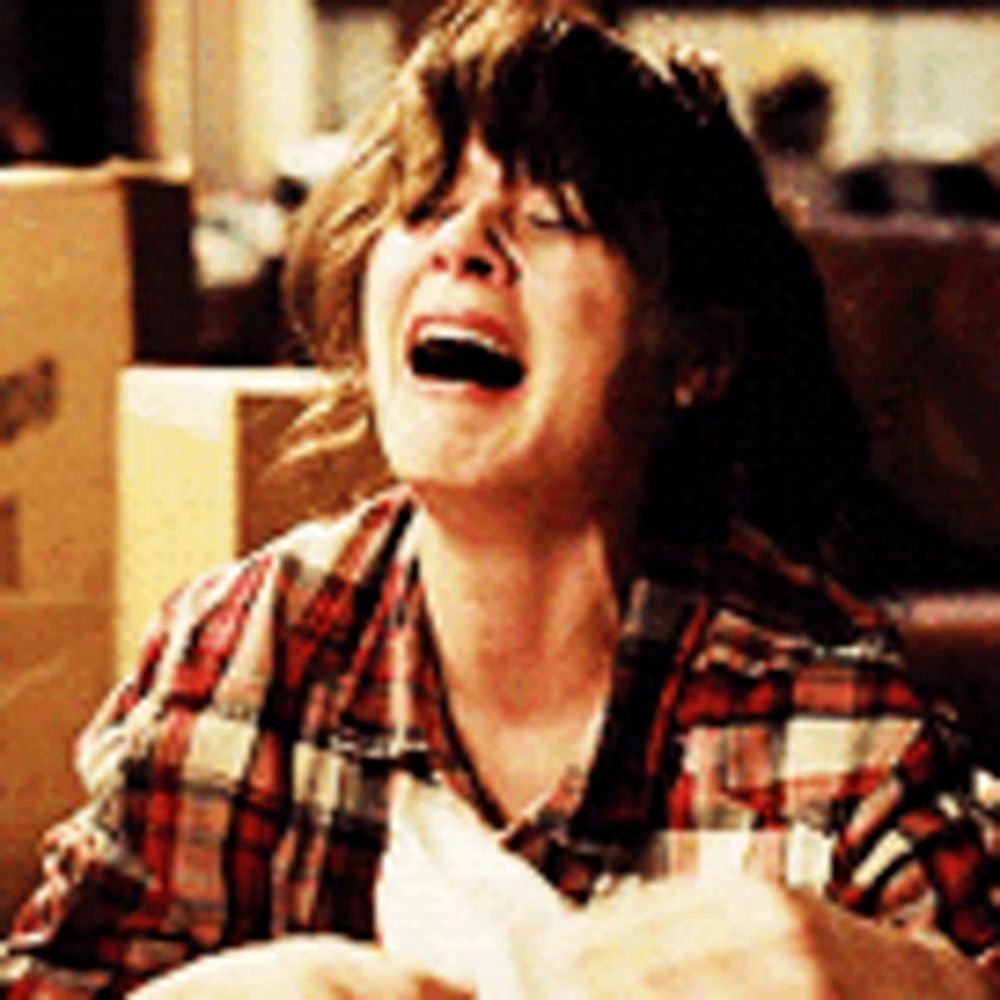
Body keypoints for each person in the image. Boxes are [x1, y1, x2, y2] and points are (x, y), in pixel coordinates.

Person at [1, 1, 996, 996]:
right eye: (423, 208)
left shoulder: (828, 724)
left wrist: (916, 984)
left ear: (699, 353)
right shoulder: (241, 649)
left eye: (550, 216)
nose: (462, 246)